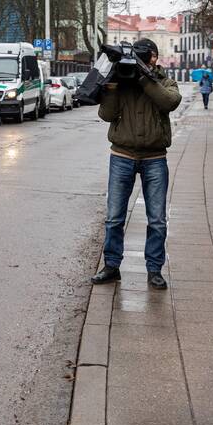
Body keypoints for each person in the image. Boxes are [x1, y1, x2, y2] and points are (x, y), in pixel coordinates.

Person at [91, 38, 182, 290]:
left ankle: (154, 270)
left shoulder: (164, 82)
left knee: (157, 220)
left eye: (145, 56)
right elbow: (106, 115)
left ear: (154, 57)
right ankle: (111, 266)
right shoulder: (122, 82)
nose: (142, 60)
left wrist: (143, 78)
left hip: (155, 159)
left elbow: (169, 102)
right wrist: (111, 87)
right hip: (122, 156)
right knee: (114, 217)